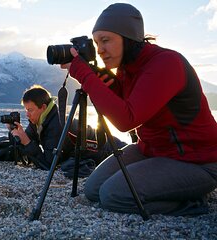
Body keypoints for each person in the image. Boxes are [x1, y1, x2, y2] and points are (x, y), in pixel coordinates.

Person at [61, 3, 217, 216]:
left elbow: (127, 119)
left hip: (197, 161)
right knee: (93, 189)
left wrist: (84, 75)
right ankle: (167, 189)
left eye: (106, 40)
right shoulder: (128, 68)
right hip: (153, 151)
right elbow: (132, 102)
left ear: (129, 38)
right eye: (96, 42)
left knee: (113, 196)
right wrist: (106, 81)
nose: (100, 50)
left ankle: (191, 203)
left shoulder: (166, 63)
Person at [8, 84, 126, 172]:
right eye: (26, 110)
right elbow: (22, 144)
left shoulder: (56, 124)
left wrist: (27, 142)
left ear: (43, 107)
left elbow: (49, 164)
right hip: (107, 145)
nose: (27, 114)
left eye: (30, 110)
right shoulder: (39, 120)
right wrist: (14, 132)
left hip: (112, 150)